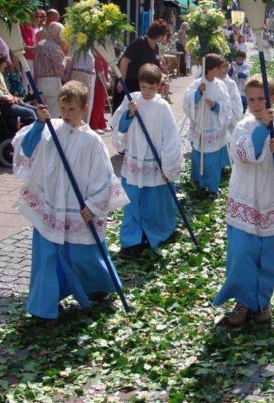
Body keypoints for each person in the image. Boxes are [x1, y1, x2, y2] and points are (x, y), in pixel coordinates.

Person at [12, 81, 128, 321]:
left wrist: (94, 206)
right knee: (47, 257)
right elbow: (27, 148)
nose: (65, 114)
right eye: (62, 109)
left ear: (84, 108)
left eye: (71, 110)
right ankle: (44, 306)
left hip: (78, 207)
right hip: (51, 204)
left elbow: (102, 176)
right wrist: (38, 123)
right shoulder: (50, 129)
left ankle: (98, 286)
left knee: (83, 254)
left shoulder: (92, 141)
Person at [213, 74, 274, 326]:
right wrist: (263, 129)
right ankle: (243, 302)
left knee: (269, 256)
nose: (256, 104)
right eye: (251, 99)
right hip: (247, 199)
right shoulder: (244, 125)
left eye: (262, 99)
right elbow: (243, 153)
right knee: (242, 253)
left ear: (272, 99)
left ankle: (262, 301)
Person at [110, 64, 182, 258]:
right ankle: (131, 240)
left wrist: (168, 164)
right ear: (139, 85)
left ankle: (156, 233)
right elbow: (117, 127)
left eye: (152, 88)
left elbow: (170, 136)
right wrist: (129, 115)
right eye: (144, 87)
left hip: (154, 162)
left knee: (155, 202)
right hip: (134, 162)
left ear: (159, 86)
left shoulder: (162, 106)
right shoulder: (131, 99)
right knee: (132, 201)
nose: (147, 92)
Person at [183, 54, 231, 194]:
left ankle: (211, 188)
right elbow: (187, 102)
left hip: (214, 127)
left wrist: (216, 105)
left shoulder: (220, 85)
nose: (221, 71)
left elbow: (227, 105)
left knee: (212, 161)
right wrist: (198, 93)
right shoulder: (197, 84)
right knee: (198, 157)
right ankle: (198, 185)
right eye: (219, 68)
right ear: (211, 69)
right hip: (201, 126)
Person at [115, 20, 169, 111]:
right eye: (164, 35)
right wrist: (121, 81)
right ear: (159, 34)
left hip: (144, 87)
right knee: (126, 111)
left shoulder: (156, 48)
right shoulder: (139, 43)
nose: (165, 38)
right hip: (130, 84)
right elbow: (124, 60)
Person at [0, 52, 37, 127]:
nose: (5, 65)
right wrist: (1, 97)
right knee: (30, 113)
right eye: (3, 63)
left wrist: (14, 98)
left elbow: (6, 92)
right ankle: (37, 135)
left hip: (7, 104)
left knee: (37, 110)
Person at [33, 22, 66, 117]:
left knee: (41, 114)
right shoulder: (54, 47)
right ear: (58, 33)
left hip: (39, 82)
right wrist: (65, 61)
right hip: (52, 82)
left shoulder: (39, 44)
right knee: (53, 114)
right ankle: (51, 132)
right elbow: (59, 70)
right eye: (61, 32)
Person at [90, 48, 110, 133]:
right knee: (97, 103)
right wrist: (105, 83)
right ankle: (94, 125)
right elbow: (99, 68)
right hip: (98, 82)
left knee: (101, 104)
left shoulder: (102, 52)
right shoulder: (97, 52)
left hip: (101, 82)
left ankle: (101, 124)